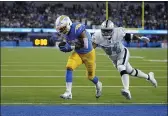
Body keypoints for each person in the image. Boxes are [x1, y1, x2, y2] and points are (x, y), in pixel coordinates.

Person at [92, 20, 157, 100]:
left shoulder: (118, 32)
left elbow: (129, 36)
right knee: (131, 71)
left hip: (122, 52)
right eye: (104, 31)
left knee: (121, 67)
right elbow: (91, 48)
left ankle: (126, 90)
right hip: (113, 58)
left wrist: (140, 39)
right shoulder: (97, 36)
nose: (106, 33)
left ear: (112, 30)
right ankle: (149, 77)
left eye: (108, 31)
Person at [55, 15, 102, 99]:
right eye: (60, 29)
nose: (61, 30)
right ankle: (68, 92)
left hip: (89, 54)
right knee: (69, 67)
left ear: (68, 24)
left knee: (90, 76)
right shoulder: (66, 33)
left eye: (62, 28)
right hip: (78, 54)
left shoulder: (77, 28)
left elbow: (85, 45)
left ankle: (98, 84)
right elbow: (71, 43)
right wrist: (67, 47)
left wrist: (71, 47)